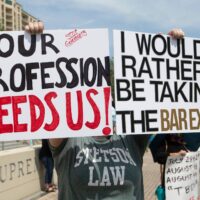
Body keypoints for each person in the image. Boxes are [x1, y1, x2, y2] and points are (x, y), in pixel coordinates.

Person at [25, 22, 184, 200]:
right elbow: (47, 91)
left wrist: (169, 49)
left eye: (104, 82)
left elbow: (155, 94)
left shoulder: (130, 138)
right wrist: (36, 44)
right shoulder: (69, 137)